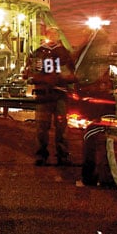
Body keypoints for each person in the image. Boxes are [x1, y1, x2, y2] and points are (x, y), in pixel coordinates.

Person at [24, 26, 77, 166]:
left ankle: (63, 155)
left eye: (55, 34)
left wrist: (63, 79)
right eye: (50, 33)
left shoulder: (64, 53)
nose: (53, 36)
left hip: (59, 95)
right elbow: (29, 74)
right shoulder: (39, 53)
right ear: (46, 35)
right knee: (42, 127)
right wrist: (43, 79)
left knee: (61, 126)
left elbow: (73, 74)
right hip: (44, 96)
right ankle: (42, 155)